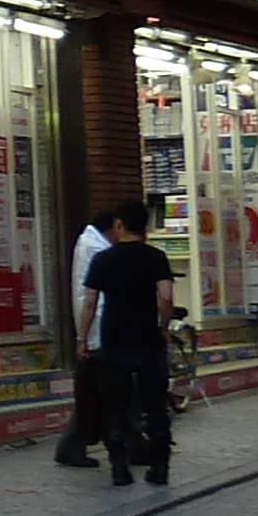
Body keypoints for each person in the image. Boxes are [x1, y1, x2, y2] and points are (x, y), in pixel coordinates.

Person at [79, 200, 179, 486]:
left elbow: (89, 303)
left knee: (116, 407)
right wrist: (163, 328)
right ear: (144, 226)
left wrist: (82, 339)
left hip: (114, 343)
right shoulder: (156, 258)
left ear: (120, 225)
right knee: (156, 407)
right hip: (148, 343)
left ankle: (119, 468)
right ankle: (159, 468)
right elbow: (167, 297)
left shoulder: (103, 260)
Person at [53, 206, 115, 468]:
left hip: (92, 331)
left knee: (93, 395)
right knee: (101, 394)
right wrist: (85, 337)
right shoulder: (96, 249)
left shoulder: (89, 243)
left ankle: (77, 444)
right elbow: (93, 299)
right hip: (97, 332)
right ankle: (76, 445)